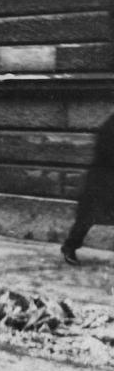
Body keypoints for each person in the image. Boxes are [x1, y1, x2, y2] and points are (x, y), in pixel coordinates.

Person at [61, 110, 114, 266]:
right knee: (88, 216)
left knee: (89, 215)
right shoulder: (110, 125)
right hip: (103, 179)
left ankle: (70, 246)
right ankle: (70, 246)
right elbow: (106, 152)